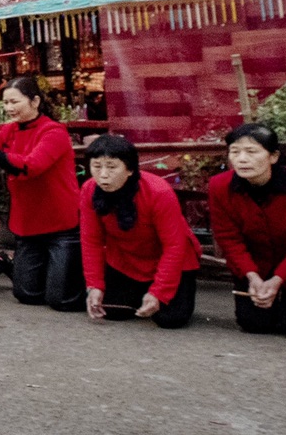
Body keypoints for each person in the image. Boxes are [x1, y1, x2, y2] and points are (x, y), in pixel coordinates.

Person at [207, 122, 286, 339]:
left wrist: (278, 280)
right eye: (235, 152)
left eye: (251, 151)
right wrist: (252, 276)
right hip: (256, 267)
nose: (241, 159)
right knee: (254, 323)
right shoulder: (219, 186)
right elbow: (228, 239)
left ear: (273, 156)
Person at [0, 76, 81, 311]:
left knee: (61, 300)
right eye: (5, 103)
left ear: (35, 101)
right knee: (26, 293)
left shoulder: (54, 131)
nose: (8, 108)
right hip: (28, 224)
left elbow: (31, 166)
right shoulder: (9, 131)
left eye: (14, 102)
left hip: (61, 224)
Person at [80, 133, 201, 328]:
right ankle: (140, 292)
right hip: (125, 259)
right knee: (111, 310)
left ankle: (159, 290)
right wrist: (94, 286)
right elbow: (91, 241)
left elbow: (174, 245)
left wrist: (158, 292)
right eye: (96, 166)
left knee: (170, 319)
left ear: (129, 169)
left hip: (170, 259)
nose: (103, 174)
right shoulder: (88, 190)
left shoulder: (158, 192)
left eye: (111, 167)